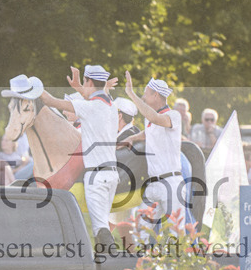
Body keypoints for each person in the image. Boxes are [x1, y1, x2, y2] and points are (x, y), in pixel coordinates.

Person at [39, 66, 119, 246]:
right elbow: (95, 97)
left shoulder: (88, 107)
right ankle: (103, 269)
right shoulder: (112, 107)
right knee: (102, 227)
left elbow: (50, 101)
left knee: (101, 230)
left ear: (89, 82)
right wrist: (78, 87)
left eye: (84, 82)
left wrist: (36, 87)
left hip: (96, 176)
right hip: (112, 175)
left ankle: (113, 268)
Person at [119, 73, 184, 230]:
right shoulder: (151, 118)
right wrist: (132, 138)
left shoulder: (173, 115)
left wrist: (131, 94)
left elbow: (156, 119)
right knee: (141, 229)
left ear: (156, 95)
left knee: (177, 233)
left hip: (171, 182)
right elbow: (149, 131)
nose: (143, 98)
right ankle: (146, 255)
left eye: (146, 94)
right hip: (153, 183)